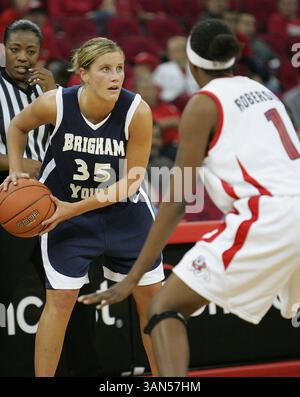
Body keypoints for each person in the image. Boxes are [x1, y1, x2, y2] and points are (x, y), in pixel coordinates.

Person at [77, 19, 300, 376]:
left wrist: (133, 276)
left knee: (164, 307)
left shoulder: (203, 104)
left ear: (192, 65)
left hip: (270, 215)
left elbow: (178, 198)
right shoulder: (264, 91)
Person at [1, 36, 164, 377]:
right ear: (83, 74)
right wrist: (16, 171)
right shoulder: (56, 104)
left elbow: (131, 182)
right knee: (59, 303)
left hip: (124, 214)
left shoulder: (137, 111)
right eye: (105, 69)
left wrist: (72, 209)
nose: (116, 76)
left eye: (120, 68)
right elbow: (17, 127)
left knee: (153, 306)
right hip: (65, 212)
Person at [0, 19, 56, 308]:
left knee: (68, 291)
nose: (23, 57)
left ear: (40, 53)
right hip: (7, 196)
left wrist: (56, 95)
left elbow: (68, 142)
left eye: (31, 51)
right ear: (3, 49)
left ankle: (80, 356)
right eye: (15, 49)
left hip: (48, 200)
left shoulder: (47, 90)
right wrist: (16, 163)